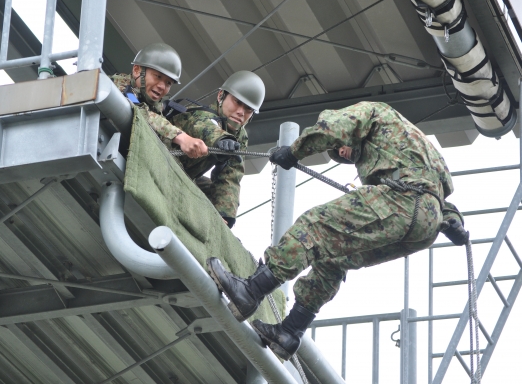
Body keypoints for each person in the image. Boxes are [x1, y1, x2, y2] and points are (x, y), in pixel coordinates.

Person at [207, 101, 469, 360]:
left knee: (314, 226)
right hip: (425, 223)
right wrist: (453, 219)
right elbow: (432, 191)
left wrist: (293, 152)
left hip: (402, 201)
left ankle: (250, 291)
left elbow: (332, 128)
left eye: (341, 148)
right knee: (334, 258)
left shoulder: (374, 111)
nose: (342, 153)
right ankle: (289, 332)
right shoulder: (413, 143)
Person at [170, 71, 265, 228]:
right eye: (237, 102)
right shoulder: (200, 114)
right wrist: (221, 139)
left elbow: (230, 175)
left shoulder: (239, 137)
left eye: (248, 109)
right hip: (168, 161)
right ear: (221, 96)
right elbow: (204, 126)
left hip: (187, 175)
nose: (241, 112)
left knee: (210, 194)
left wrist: (225, 216)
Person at [111, 43, 208, 158]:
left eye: (168, 83)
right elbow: (140, 110)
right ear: (137, 70)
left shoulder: (155, 107)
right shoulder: (123, 88)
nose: (162, 86)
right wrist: (182, 138)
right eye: (157, 76)